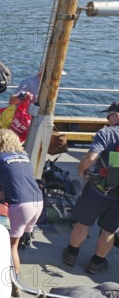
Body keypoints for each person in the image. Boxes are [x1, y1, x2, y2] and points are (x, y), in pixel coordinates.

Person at [0, 129, 43, 295]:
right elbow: (14, 185)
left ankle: (14, 283)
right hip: (37, 202)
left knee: (12, 246)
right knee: (17, 241)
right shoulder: (24, 156)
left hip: (21, 205)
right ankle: (11, 274)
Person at [63, 101, 119, 274]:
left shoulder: (107, 133)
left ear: (116, 115)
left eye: (108, 115)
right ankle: (96, 263)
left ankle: (71, 255)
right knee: (109, 231)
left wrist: (81, 169)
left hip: (98, 189)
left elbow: (92, 157)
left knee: (83, 224)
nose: (107, 119)